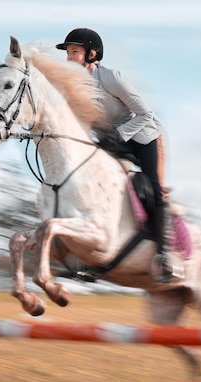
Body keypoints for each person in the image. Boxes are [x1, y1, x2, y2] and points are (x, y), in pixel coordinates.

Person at [56, 27, 182, 282]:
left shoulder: (110, 77)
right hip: (112, 141)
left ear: (91, 54)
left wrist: (118, 135)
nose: (69, 57)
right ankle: (90, 257)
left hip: (144, 137)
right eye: (68, 53)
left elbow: (146, 114)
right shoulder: (73, 86)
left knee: (154, 188)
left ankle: (164, 254)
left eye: (74, 52)